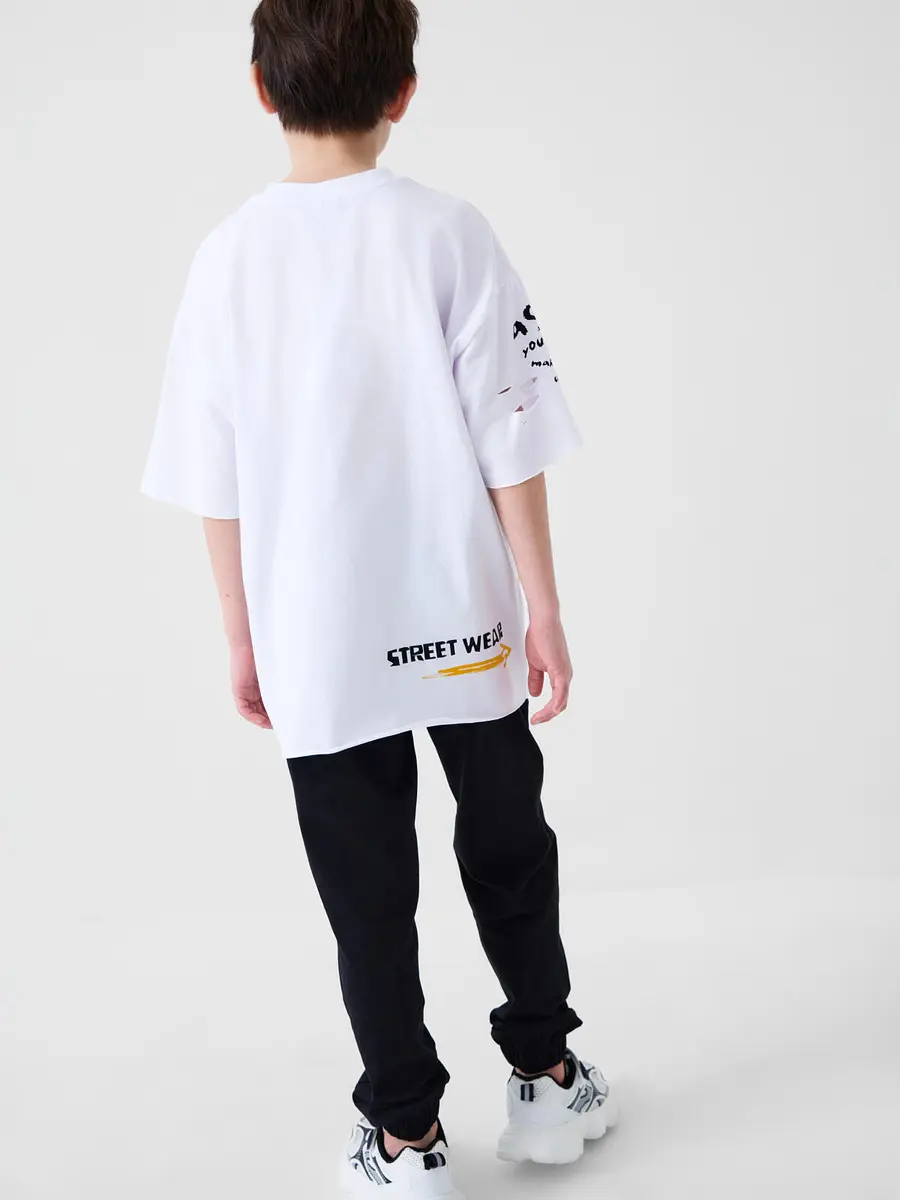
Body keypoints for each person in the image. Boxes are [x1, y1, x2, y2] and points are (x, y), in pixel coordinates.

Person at [141, 1, 617, 1194]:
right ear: (404, 90)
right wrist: (543, 606)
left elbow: (214, 472)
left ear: (262, 86)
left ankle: (407, 1139)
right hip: (463, 615)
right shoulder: (450, 233)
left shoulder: (226, 258)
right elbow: (511, 435)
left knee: (366, 898)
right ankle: (547, 1079)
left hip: (318, 632)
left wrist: (242, 634)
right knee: (508, 848)